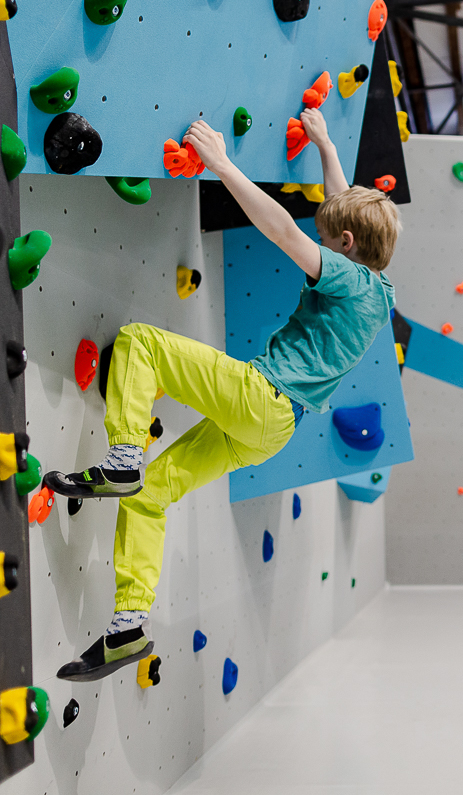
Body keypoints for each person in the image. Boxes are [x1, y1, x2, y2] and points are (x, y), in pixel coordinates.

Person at [48, 110, 398, 682]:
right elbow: (347, 209)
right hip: (273, 434)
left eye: (330, 239)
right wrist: (327, 148)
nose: (322, 242)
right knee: (150, 497)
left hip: (263, 395)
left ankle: (123, 458)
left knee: (141, 345)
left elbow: (286, 231)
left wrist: (222, 165)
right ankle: (128, 628)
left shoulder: (346, 277)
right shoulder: (378, 288)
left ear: (347, 245)